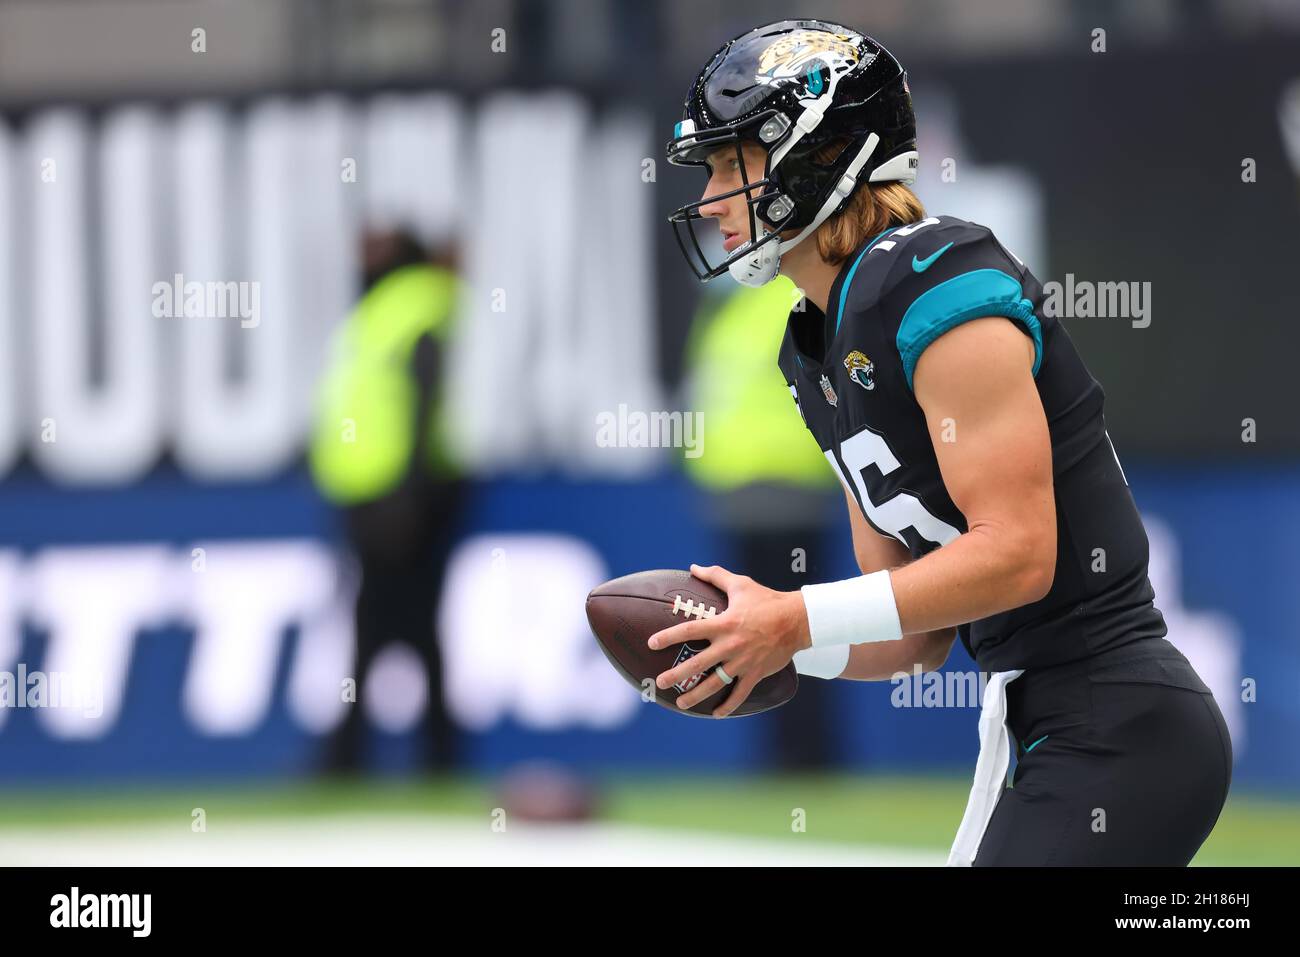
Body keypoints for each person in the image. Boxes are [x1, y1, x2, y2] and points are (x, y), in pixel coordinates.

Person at [652, 19, 1231, 866]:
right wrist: (762, 643)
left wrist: (793, 614)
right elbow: (912, 634)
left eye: (734, 162)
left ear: (822, 151)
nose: (712, 196)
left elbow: (1021, 554)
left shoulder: (936, 276)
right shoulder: (814, 344)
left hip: (1120, 723)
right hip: (1041, 723)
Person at [310, 230, 467, 774]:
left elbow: (426, 403)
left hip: (402, 498)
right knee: (408, 627)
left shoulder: (415, 306)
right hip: (380, 496)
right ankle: (436, 755)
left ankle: (348, 758)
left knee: (381, 625)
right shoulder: (383, 310)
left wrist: (410, 498)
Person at [681, 276, 842, 769]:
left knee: (792, 629)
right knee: (765, 631)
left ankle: (804, 760)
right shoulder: (733, 310)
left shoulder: (791, 301)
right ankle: (785, 757)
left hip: (786, 485)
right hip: (742, 492)